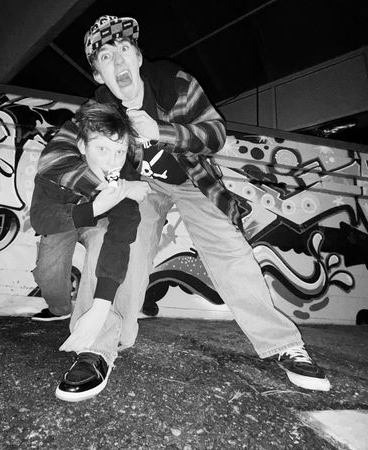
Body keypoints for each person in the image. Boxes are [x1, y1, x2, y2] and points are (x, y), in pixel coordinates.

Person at [49, 14, 331, 402]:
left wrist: (160, 132)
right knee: (120, 243)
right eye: (106, 57)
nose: (119, 61)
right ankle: (96, 349)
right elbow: (59, 154)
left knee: (229, 249)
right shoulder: (98, 108)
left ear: (138, 57)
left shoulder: (174, 83)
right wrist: (96, 185)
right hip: (141, 187)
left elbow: (215, 133)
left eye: (125, 50)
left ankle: (284, 345)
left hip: (192, 181)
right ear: (98, 74)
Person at [29, 101, 150, 340]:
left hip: (98, 223)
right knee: (48, 274)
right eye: (102, 149)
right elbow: (41, 219)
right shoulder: (58, 164)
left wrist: (101, 304)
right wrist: (98, 203)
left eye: (120, 151)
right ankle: (60, 310)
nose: (112, 162)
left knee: (104, 245)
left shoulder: (125, 176)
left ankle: (95, 323)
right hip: (64, 221)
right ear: (82, 146)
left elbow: (121, 237)